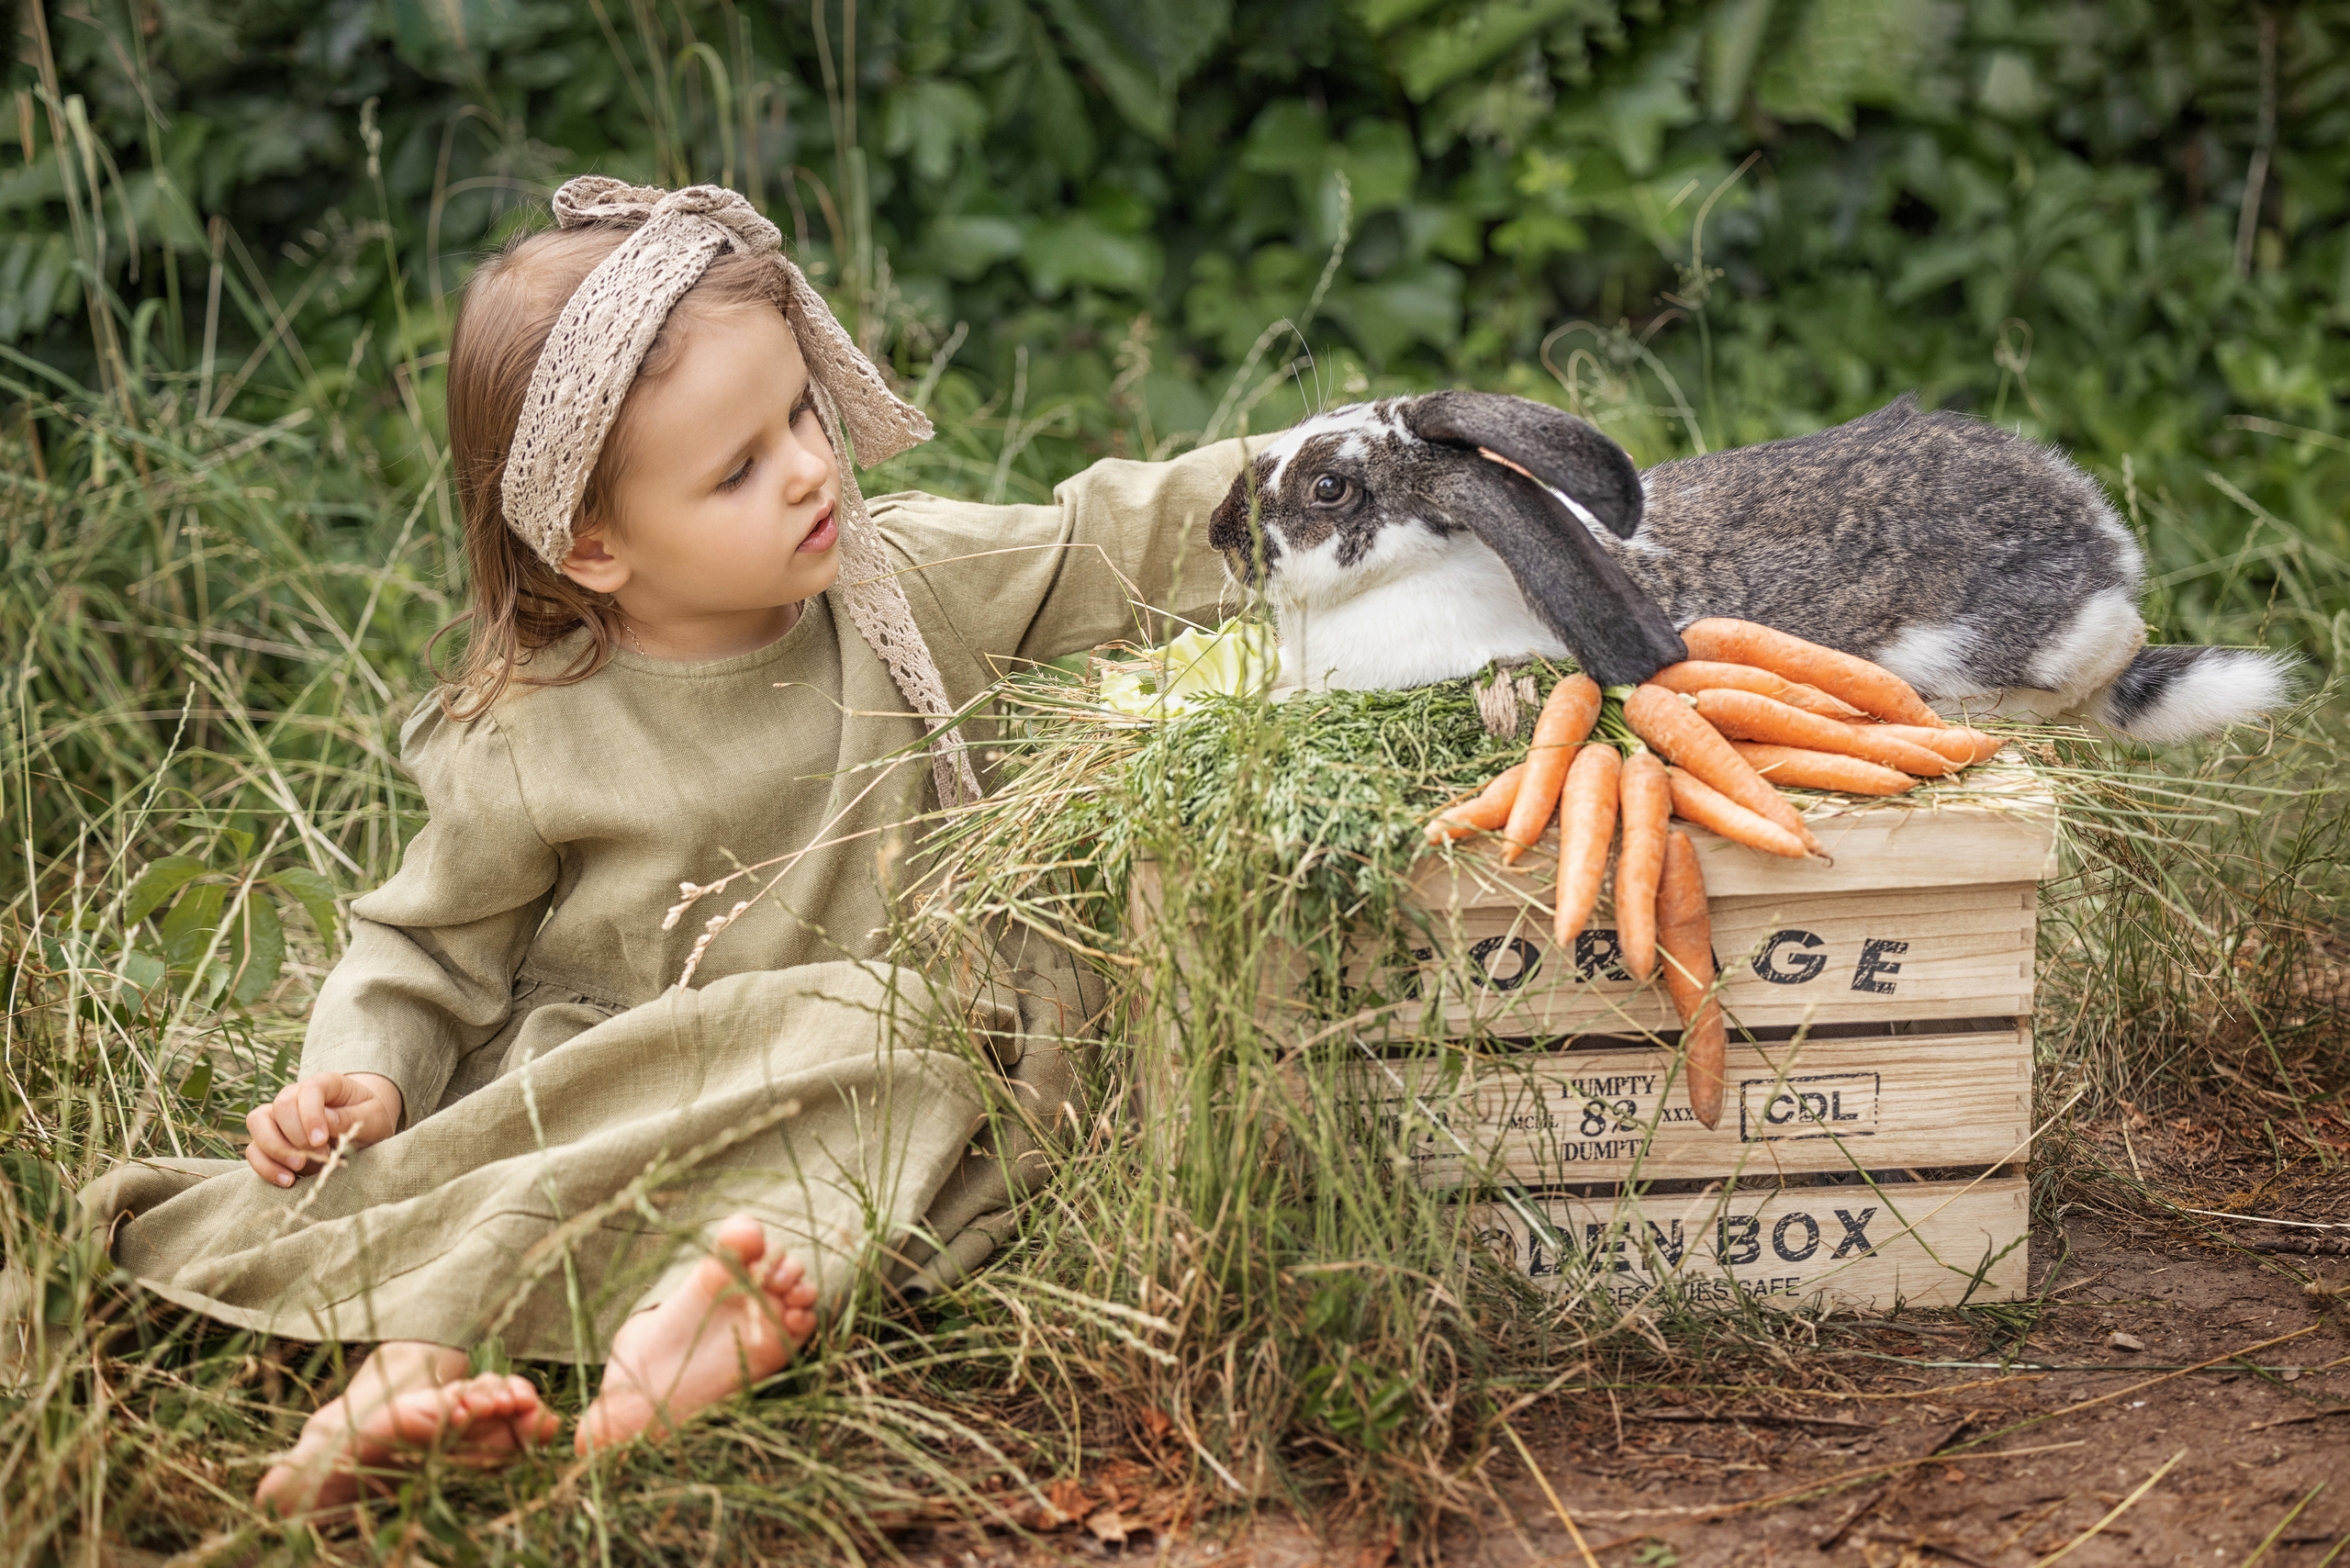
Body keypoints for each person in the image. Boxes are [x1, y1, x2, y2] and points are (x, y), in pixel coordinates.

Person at [79, 178, 1242, 1515]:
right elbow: (426, 943)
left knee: (910, 1065)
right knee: (515, 1154)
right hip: (623, 1067)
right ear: (593, 543)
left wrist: (1368, 469)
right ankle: (400, 1379)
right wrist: (364, 1076)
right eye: (738, 468)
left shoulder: (905, 590)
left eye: (800, 413)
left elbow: (1114, 536)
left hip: (853, 1041)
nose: (810, 466)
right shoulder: (533, 732)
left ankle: (684, 1340)